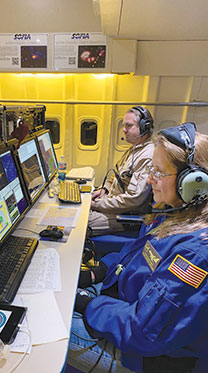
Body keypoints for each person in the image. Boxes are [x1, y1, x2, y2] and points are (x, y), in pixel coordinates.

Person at [66, 122, 208, 373]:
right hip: (121, 305)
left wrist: (89, 306)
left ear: (193, 184)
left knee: (48, 329)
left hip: (143, 357)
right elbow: (134, 256)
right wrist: (96, 273)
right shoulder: (171, 214)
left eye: (159, 172)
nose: (149, 179)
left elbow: (141, 331)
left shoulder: (193, 255)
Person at [88, 106, 154, 236]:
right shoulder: (134, 149)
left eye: (129, 126)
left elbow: (133, 199)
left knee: (76, 225)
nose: (124, 130)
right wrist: (104, 190)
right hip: (112, 204)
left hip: (125, 216)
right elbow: (116, 174)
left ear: (144, 127)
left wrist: (97, 205)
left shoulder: (147, 156)